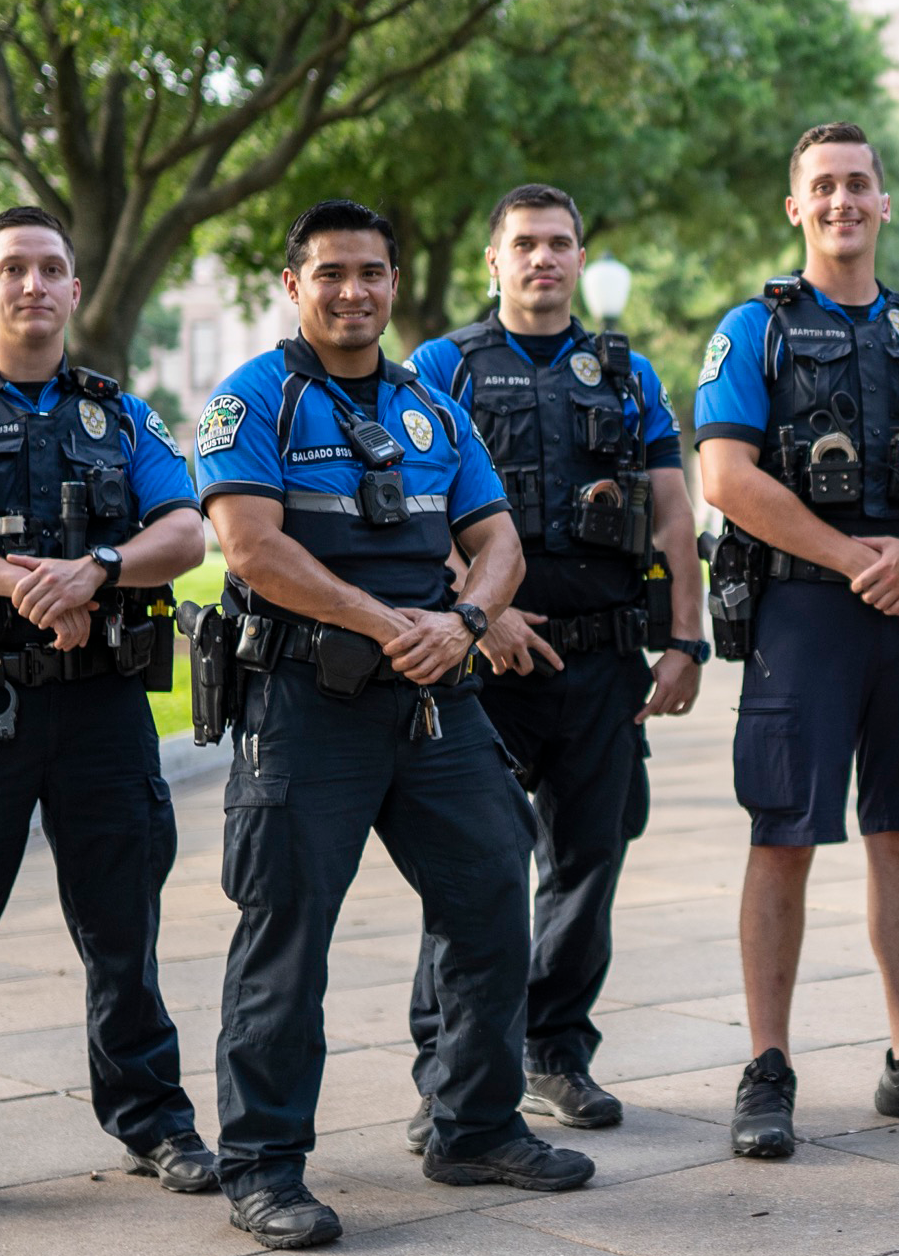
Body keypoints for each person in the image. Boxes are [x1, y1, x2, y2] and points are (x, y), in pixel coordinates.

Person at [192, 199, 593, 1250]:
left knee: (494, 893)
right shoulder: (257, 401)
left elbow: (495, 538)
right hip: (304, 706)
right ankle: (266, 1166)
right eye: (330, 273)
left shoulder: (433, 410)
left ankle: (472, 1122)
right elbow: (251, 548)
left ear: (394, 284)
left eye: (372, 272)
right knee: (287, 938)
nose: (354, 290)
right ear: (294, 286)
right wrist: (388, 623)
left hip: (432, 702)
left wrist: (463, 621)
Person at [0, 205, 216, 1225]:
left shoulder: (122, 415)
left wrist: (96, 568)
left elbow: (185, 531)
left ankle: (153, 1119)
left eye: (52, 267)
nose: (33, 285)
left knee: (123, 928)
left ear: (71, 287)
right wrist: (25, 587)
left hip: (102, 706)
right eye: (12, 268)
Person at [691, 122, 899, 1158]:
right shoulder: (756, 329)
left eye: (858, 185)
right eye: (822, 187)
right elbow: (726, 478)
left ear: (885, 201)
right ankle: (768, 1063)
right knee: (783, 833)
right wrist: (851, 556)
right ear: (796, 208)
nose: (842, 202)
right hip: (805, 614)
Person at [390, 183, 708, 1143]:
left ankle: (554, 1052)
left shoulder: (626, 372)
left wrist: (687, 641)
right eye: (525, 244)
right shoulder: (441, 366)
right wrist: (481, 614)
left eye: (560, 243)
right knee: (469, 868)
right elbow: (411, 506)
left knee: (587, 862)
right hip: (481, 665)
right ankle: (449, 1070)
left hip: (602, 662)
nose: (543, 259)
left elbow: (672, 513)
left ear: (579, 257)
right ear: (495, 259)